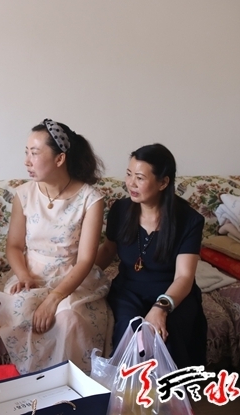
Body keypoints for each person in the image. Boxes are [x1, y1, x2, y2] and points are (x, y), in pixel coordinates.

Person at [0, 119, 112, 375]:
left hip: (73, 279)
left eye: (35, 153)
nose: (27, 161)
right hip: (32, 274)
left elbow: (85, 260)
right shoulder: (24, 194)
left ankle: (71, 389)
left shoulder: (90, 199)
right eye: (26, 152)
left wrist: (54, 298)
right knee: (22, 312)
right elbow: (14, 246)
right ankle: (35, 388)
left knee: (69, 319)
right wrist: (23, 275)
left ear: (60, 159)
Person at [95, 143, 207, 368]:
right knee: (130, 327)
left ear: (163, 182)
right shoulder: (120, 210)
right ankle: (128, 386)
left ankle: (171, 388)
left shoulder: (189, 220)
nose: (130, 183)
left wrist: (161, 308)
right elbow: (107, 250)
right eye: (129, 174)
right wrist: (80, 275)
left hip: (171, 292)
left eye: (139, 178)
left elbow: (184, 277)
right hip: (129, 290)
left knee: (167, 332)